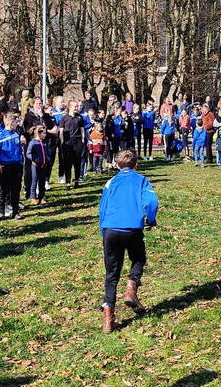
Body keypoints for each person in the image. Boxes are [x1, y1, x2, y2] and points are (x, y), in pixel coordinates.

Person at [98, 149, 158, 334]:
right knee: (138, 258)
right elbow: (152, 201)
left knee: (111, 272)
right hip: (132, 228)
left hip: (111, 230)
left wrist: (103, 230)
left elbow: (103, 207)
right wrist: (151, 220)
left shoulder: (111, 182)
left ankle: (108, 317)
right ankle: (132, 286)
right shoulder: (141, 180)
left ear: (117, 165)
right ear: (136, 164)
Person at [0, 112, 25, 220]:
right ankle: (2, 211)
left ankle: (15, 211)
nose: (16, 124)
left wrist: (20, 162)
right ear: (10, 122)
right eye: (15, 122)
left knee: (16, 189)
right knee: (4, 189)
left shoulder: (16, 134)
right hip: (5, 166)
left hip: (16, 166)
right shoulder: (0, 136)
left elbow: (19, 150)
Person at [60, 101, 86, 187]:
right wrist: (62, 142)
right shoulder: (64, 118)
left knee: (77, 162)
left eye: (77, 106)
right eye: (75, 106)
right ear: (70, 107)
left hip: (77, 141)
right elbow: (61, 131)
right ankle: (68, 182)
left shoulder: (80, 117)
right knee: (68, 162)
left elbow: (82, 129)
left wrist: (82, 140)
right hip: (67, 141)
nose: (77, 108)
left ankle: (77, 181)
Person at [27, 124, 50, 204]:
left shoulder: (44, 142)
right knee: (34, 181)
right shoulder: (33, 143)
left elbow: (47, 152)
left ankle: (41, 197)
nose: (45, 135)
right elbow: (28, 153)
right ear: (39, 133)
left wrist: (47, 159)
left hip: (43, 165)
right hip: (35, 165)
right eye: (44, 133)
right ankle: (33, 197)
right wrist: (34, 160)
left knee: (42, 182)